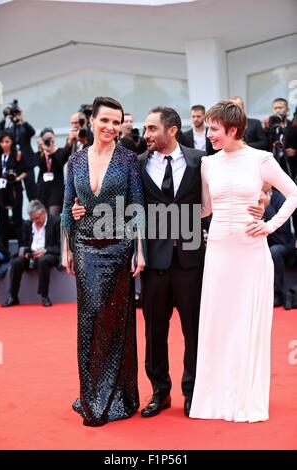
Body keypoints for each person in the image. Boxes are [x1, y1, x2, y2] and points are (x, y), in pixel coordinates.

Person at [72, 106, 263, 418]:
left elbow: (226, 189)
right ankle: (160, 392)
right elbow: (121, 203)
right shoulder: (137, 164)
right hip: (155, 262)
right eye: (145, 129)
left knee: (194, 331)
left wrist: (259, 204)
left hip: (191, 259)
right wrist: (84, 210)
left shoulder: (200, 160)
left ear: (172, 130)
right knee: (154, 333)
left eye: (151, 129)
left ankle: (192, 392)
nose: (145, 135)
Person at [189, 101, 297, 422]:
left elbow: (293, 193)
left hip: (251, 251)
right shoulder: (209, 164)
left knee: (246, 323)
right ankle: (215, 398)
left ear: (233, 129)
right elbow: (205, 209)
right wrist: (168, 215)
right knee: (218, 323)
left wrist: (269, 224)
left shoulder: (260, 160)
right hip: (220, 250)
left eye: (214, 129)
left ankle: (244, 396)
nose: (208, 135)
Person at [61, 96, 145, 427]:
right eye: (105, 120)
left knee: (117, 320)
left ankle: (118, 396)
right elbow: (69, 206)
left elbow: (137, 206)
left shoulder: (128, 160)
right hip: (85, 247)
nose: (111, 127)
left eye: (116, 121)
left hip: (119, 246)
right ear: (92, 122)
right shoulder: (75, 161)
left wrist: (140, 249)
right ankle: (91, 393)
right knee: (89, 319)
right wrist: (67, 246)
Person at [2, 200, 60, 308]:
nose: (35, 221)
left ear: (43, 212)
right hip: (32, 254)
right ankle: (13, 296)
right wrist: (26, 252)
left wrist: (45, 251)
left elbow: (60, 246)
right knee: (16, 262)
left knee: (43, 261)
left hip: (48, 253)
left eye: (37, 218)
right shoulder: (28, 224)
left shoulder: (55, 221)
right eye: (33, 219)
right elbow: (24, 244)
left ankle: (44, 296)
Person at [0, 131, 27, 248]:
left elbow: (25, 172)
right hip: (1, 191)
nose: (4, 144)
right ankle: (3, 250)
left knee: (17, 219)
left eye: (7, 142)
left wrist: (16, 178)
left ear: (12, 142)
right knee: (2, 220)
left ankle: (21, 247)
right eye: (2, 142)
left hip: (14, 189)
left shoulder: (17, 154)